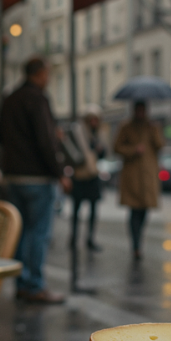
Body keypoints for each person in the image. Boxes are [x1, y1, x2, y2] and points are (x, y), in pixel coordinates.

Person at [0, 57, 70, 304]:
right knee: (39, 232)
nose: (48, 78)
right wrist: (59, 172)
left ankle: (21, 283)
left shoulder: (10, 98)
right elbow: (45, 140)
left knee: (20, 232)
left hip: (13, 175)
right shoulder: (38, 99)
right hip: (38, 177)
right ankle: (35, 285)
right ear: (39, 74)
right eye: (47, 74)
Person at [114, 101, 164, 260]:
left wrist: (154, 131)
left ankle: (138, 241)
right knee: (134, 210)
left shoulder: (152, 127)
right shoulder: (126, 127)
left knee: (144, 209)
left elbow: (160, 145)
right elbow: (117, 147)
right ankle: (136, 245)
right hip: (132, 176)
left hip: (148, 176)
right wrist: (133, 150)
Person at [63, 105, 107, 251]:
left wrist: (100, 149)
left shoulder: (98, 135)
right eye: (91, 119)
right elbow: (75, 155)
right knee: (76, 209)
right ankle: (74, 237)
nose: (94, 122)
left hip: (93, 175)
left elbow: (102, 154)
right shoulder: (78, 132)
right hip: (79, 175)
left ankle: (90, 238)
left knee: (93, 210)